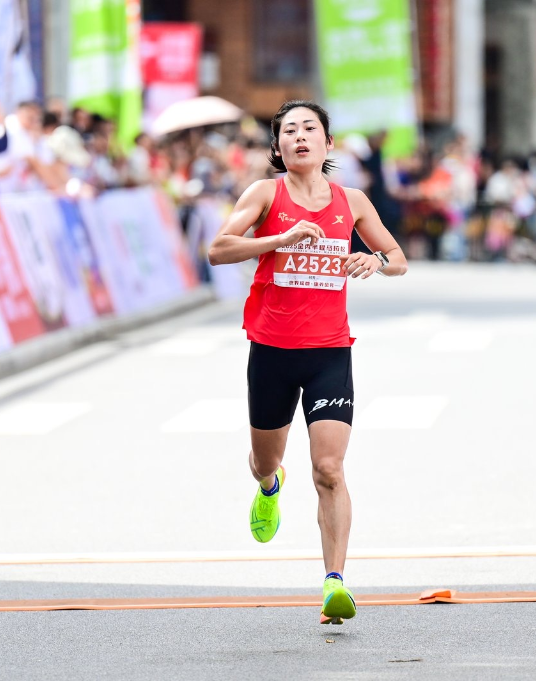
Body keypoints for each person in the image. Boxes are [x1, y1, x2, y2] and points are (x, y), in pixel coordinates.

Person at [207, 100, 407, 625]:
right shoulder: (264, 194)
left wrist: (374, 260)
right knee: (264, 461)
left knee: (329, 468)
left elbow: (398, 259)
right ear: (277, 147)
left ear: (327, 142)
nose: (299, 137)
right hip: (272, 351)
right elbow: (218, 249)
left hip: (329, 352)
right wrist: (280, 239)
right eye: (289, 131)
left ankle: (334, 583)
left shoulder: (352, 201)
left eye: (309, 128)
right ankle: (269, 486)